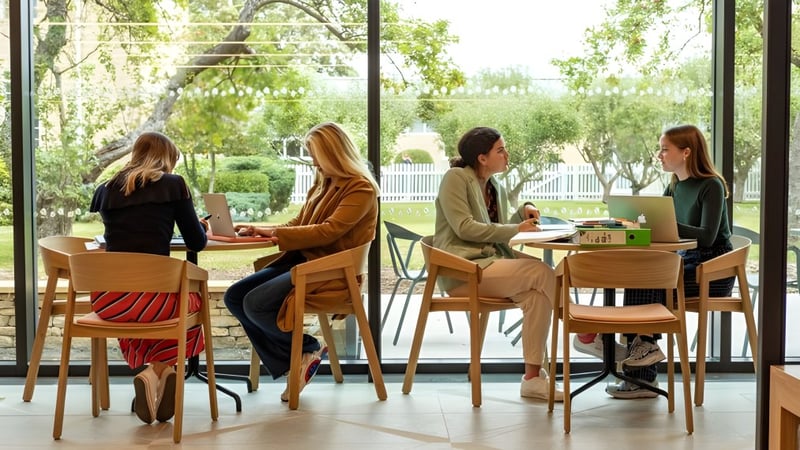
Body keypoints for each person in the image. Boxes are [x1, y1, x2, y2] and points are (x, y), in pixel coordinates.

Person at [224, 122, 379, 402]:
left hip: (330, 271)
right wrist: (264, 229)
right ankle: (297, 362)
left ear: (333, 153)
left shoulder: (361, 189)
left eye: (314, 153)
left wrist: (275, 234)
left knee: (255, 303)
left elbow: (329, 230)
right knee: (234, 296)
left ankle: (308, 348)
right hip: (304, 262)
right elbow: (301, 223)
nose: (313, 161)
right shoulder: (324, 183)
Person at [605, 124, 735, 399]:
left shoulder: (711, 185)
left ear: (686, 152)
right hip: (685, 260)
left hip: (712, 269)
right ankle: (643, 356)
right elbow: (663, 227)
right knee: (640, 276)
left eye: (665, 149)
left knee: (652, 279)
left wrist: (666, 223)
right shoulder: (674, 185)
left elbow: (709, 237)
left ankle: (640, 370)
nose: (659, 155)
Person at [433, 126, 563, 402]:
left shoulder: (494, 186)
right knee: (542, 272)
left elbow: (498, 226)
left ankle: (532, 379)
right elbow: (465, 227)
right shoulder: (455, 179)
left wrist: (523, 210)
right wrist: (517, 227)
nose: (507, 154)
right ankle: (587, 332)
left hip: (492, 264)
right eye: (500, 150)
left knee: (537, 297)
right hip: (465, 270)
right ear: (482, 158)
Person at [89, 131, 210, 424]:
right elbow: (195, 242)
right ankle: (159, 370)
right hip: (155, 297)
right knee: (191, 302)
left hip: (110, 301)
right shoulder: (172, 185)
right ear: (166, 158)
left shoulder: (107, 188)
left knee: (146, 311)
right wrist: (202, 227)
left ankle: (153, 373)